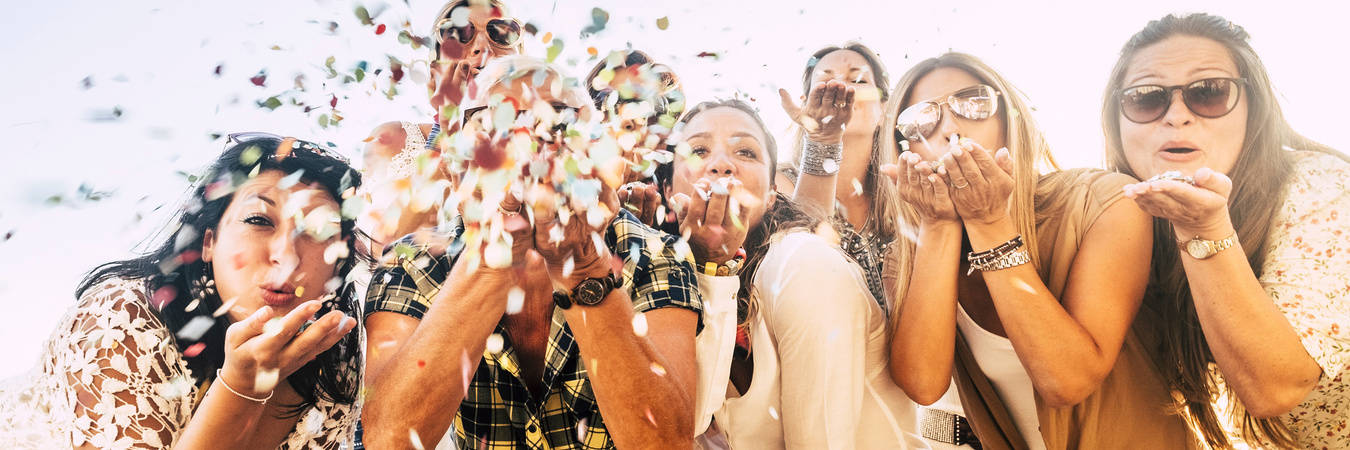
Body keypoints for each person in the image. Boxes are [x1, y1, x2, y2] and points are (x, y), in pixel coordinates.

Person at [359, 55, 701, 449]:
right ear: (456, 164)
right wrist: (488, 264)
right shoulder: (412, 262)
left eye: (556, 120)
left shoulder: (657, 253)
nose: (526, 143)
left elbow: (668, 444)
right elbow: (388, 440)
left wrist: (585, 269)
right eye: (495, 121)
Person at [882, 52, 1196, 449]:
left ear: (1008, 118)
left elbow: (1067, 381)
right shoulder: (906, 254)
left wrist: (988, 223)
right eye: (920, 119)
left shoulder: (1104, 200)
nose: (950, 128)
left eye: (974, 102)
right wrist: (939, 225)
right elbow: (923, 386)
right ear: (903, 147)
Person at [0, 134, 365, 449]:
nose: (286, 257)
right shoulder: (121, 322)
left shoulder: (333, 360)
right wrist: (243, 387)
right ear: (209, 242)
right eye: (258, 221)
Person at [1103, 13, 1350, 449]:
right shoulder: (1118, 214)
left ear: (1253, 108)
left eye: (1209, 93)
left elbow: (1275, 387)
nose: (1177, 116)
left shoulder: (1323, 187)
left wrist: (1202, 228)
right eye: (1146, 98)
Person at [668, 99, 925, 449]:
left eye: (745, 152)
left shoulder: (804, 264)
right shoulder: (666, 280)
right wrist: (711, 269)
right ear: (668, 191)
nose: (721, 165)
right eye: (698, 150)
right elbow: (680, 425)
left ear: (772, 193)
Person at [359, 0, 523, 255]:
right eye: (458, 34)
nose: (482, 47)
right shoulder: (396, 138)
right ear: (434, 69)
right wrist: (448, 128)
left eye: (501, 32)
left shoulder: (551, 142)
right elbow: (387, 249)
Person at [776, 41, 902, 308]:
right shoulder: (777, 184)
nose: (841, 88)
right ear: (805, 105)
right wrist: (824, 140)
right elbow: (802, 265)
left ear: (885, 109)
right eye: (825, 81)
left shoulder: (905, 189)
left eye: (858, 79)